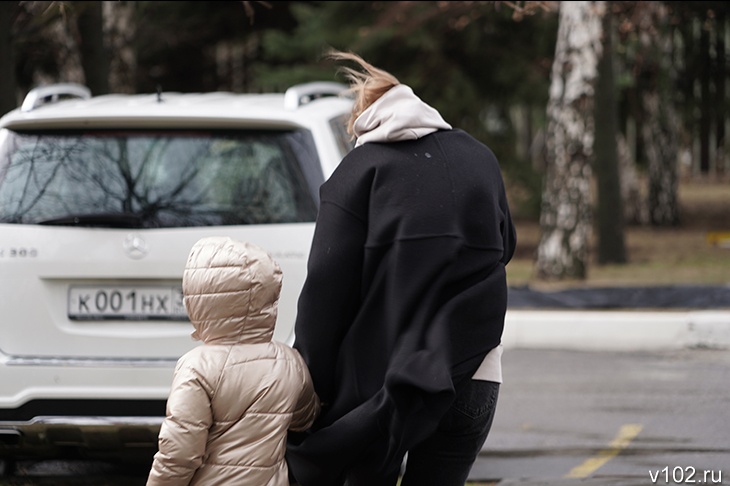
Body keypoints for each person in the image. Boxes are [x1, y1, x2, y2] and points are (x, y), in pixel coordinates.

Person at [285, 49, 516, 486]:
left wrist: (310, 390)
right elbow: (504, 247)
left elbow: (324, 294)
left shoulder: (357, 173)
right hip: (474, 373)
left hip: (380, 388)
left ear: (362, 119)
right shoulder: (479, 158)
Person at [147, 236, 320, 486]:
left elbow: (180, 453)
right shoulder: (289, 361)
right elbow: (306, 417)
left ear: (200, 301)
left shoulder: (197, 368)